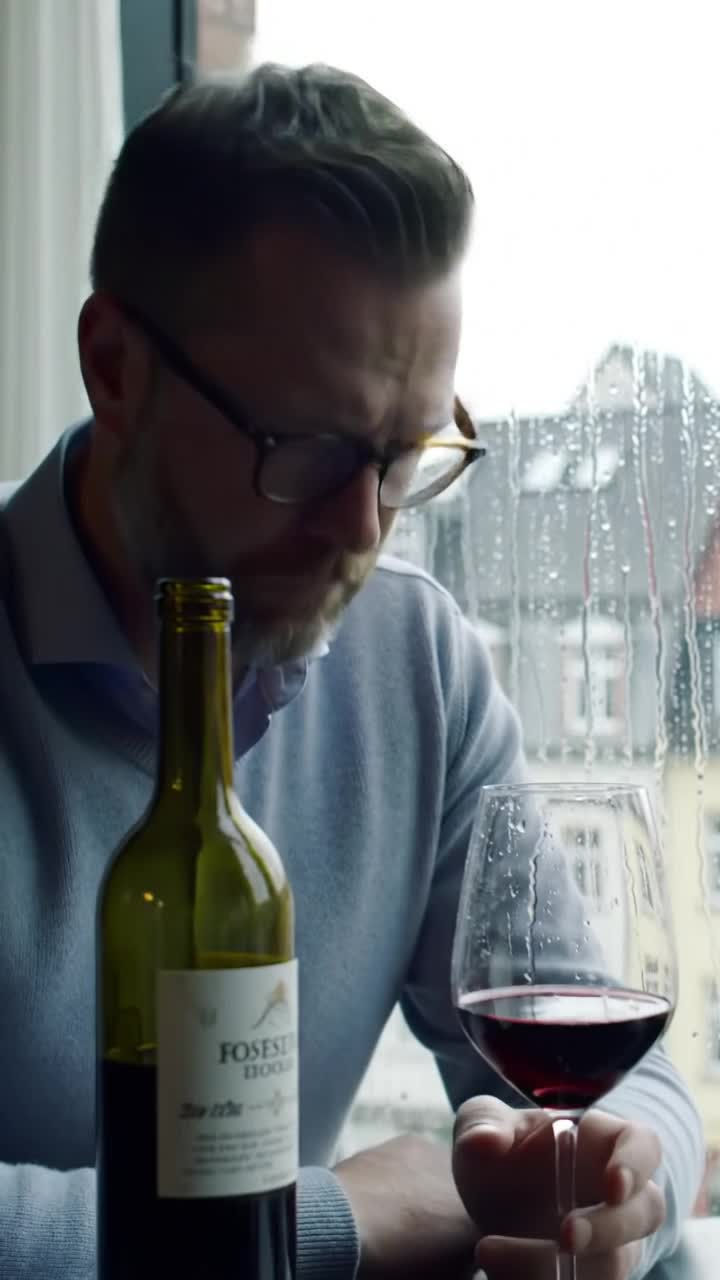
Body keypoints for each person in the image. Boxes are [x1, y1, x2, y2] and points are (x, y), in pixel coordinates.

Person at [0, 62, 703, 1280]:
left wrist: (619, 1191)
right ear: (115, 368)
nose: (365, 529)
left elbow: (638, 1083)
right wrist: (336, 1216)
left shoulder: (414, 662)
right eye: (313, 449)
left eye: (407, 453)